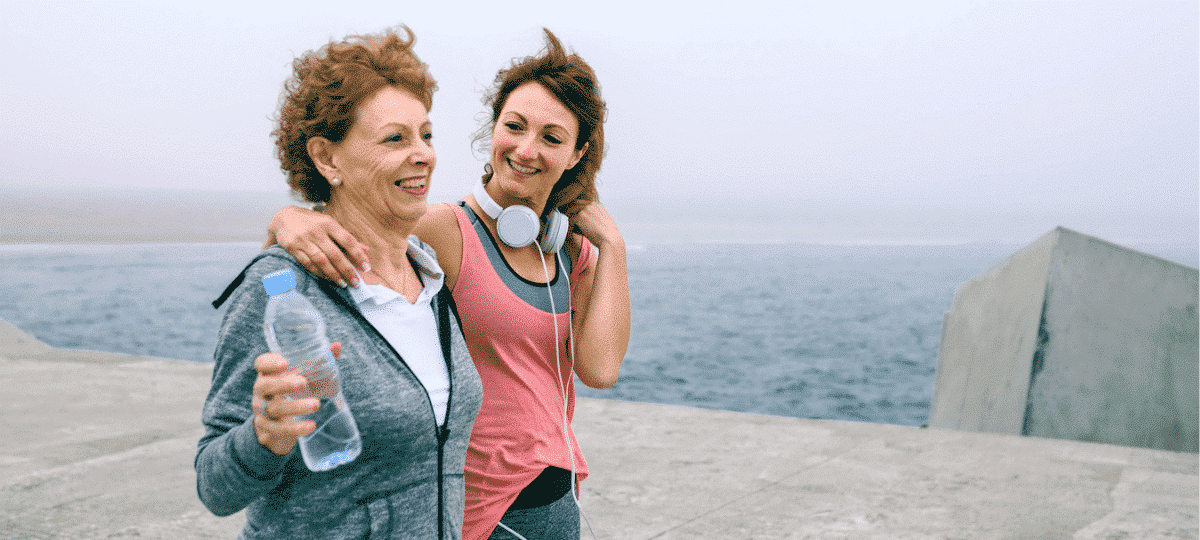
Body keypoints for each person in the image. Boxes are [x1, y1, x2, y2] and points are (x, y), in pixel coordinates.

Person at [263, 29, 631, 540]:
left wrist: (612, 246)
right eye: (515, 126)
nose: (526, 149)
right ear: (494, 129)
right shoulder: (446, 229)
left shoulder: (571, 250)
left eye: (551, 137)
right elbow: (348, 232)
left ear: (575, 153)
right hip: (476, 509)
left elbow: (600, 368)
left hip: (555, 500)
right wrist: (288, 219)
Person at [197, 27, 483, 539]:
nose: (423, 154)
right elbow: (214, 487)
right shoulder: (281, 287)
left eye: (426, 134)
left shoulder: (431, 277)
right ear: (328, 158)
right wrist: (264, 437)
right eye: (395, 138)